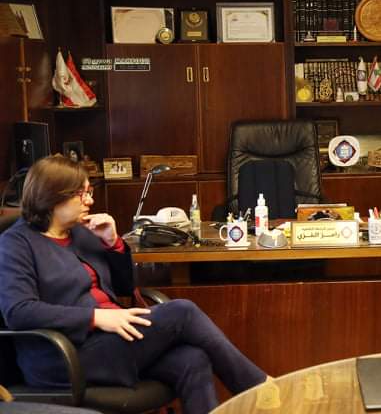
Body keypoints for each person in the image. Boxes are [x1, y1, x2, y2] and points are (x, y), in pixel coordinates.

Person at [0, 155, 267, 413]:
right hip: (65, 355)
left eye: (89, 192)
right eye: (81, 194)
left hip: (112, 341)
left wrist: (113, 243)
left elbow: (125, 287)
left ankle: (261, 393)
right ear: (52, 196)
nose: (90, 200)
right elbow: (19, 311)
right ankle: (262, 391)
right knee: (183, 311)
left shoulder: (80, 232)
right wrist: (95, 318)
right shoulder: (16, 244)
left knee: (192, 360)